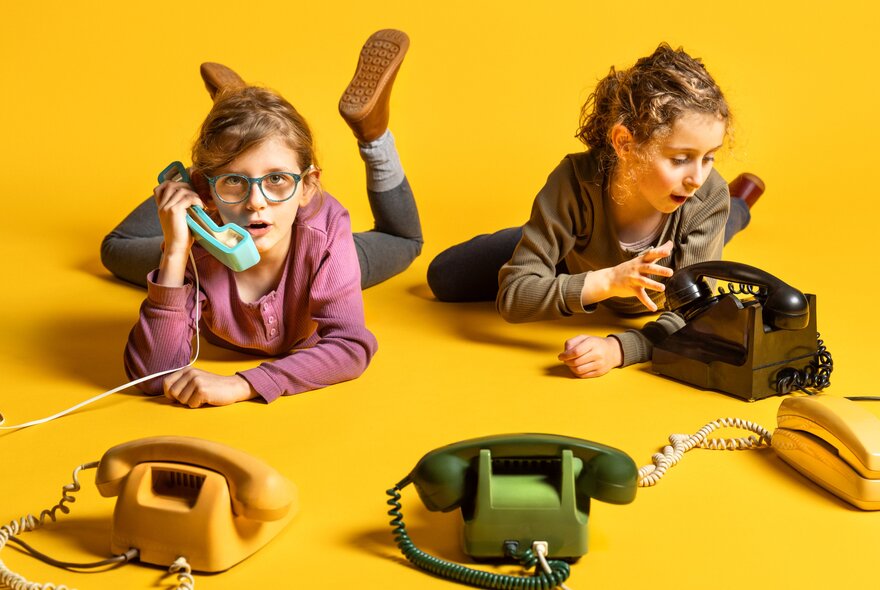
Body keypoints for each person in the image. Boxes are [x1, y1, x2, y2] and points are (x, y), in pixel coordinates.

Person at [116, 29, 422, 407]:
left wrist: (245, 384)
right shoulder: (196, 252)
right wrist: (176, 252)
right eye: (233, 181)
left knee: (405, 242)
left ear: (308, 185)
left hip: (308, 241)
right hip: (214, 221)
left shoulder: (326, 231)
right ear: (207, 194)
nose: (257, 203)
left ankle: (373, 136)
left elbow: (350, 347)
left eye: (277, 179)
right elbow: (153, 377)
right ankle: (241, 122)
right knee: (115, 249)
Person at [426, 43, 764, 379]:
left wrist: (619, 349)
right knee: (444, 277)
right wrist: (607, 281)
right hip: (573, 256)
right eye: (679, 159)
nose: (696, 178)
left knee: (725, 216)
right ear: (625, 144)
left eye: (708, 158)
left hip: (693, 225)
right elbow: (514, 296)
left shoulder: (704, 195)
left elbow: (694, 317)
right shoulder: (573, 181)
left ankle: (739, 203)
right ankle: (547, 234)